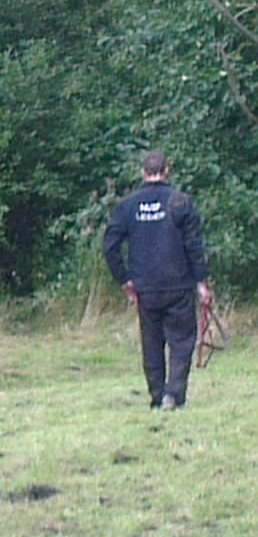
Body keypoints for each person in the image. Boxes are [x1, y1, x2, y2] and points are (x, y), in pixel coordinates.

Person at [103, 151, 212, 411]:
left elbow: (109, 246)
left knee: (151, 342)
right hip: (178, 285)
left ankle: (157, 395)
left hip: (145, 288)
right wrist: (202, 283)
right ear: (167, 171)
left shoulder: (128, 206)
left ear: (143, 173)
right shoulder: (180, 202)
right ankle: (173, 395)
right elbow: (194, 247)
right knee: (182, 340)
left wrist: (124, 279)